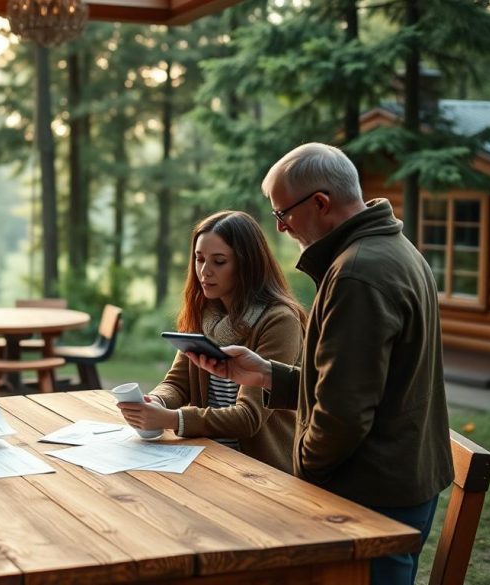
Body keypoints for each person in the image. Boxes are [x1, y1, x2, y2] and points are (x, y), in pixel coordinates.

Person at [196, 143, 454, 585]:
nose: (280, 227)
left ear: (320, 203)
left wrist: (302, 478)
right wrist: (267, 373)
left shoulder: (358, 273)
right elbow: (356, 383)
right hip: (397, 480)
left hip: (369, 495)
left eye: (283, 214)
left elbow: (344, 414)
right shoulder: (393, 249)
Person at [116, 211, 304, 473]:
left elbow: (249, 417)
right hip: (208, 457)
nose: (205, 271)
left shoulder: (279, 322)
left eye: (219, 261)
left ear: (246, 264)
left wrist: (172, 419)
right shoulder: (204, 314)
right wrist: (156, 402)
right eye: (199, 258)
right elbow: (176, 383)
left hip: (260, 470)